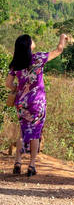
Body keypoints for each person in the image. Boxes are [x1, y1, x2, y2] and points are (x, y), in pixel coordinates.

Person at [6, 32, 68, 176]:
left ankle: (18, 162)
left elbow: (8, 84)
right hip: (37, 103)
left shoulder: (15, 64)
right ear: (29, 46)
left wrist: (19, 88)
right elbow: (59, 50)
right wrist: (62, 38)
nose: (33, 41)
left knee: (22, 131)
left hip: (21, 102)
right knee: (35, 133)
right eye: (31, 40)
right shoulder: (38, 58)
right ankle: (32, 165)